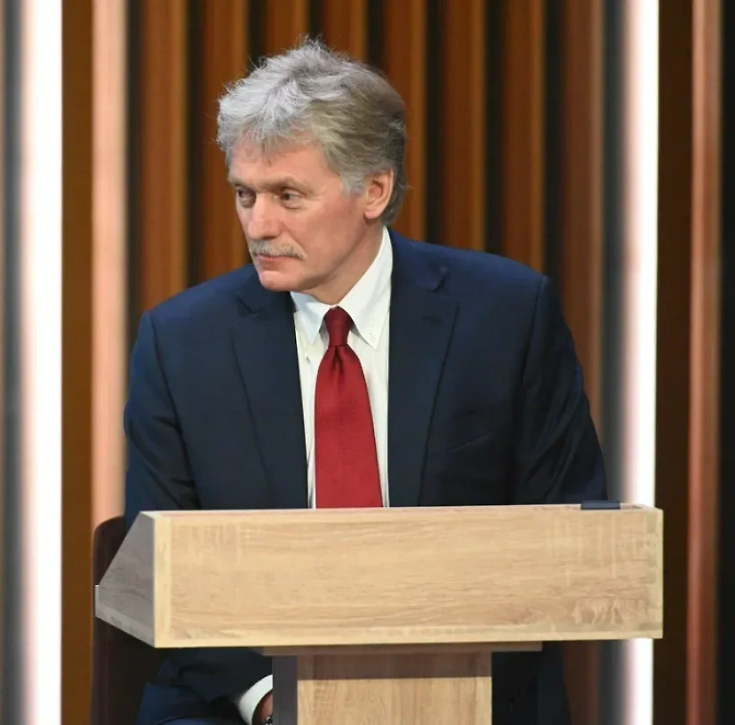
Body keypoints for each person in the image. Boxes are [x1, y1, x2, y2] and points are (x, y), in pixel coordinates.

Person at [122, 40, 605, 725]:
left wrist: (427, 699)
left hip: (468, 692)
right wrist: (275, 703)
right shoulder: (180, 342)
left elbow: (570, 533)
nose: (259, 225)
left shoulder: (506, 317)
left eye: (288, 195)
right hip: (244, 699)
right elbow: (160, 569)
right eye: (244, 194)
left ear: (374, 190)